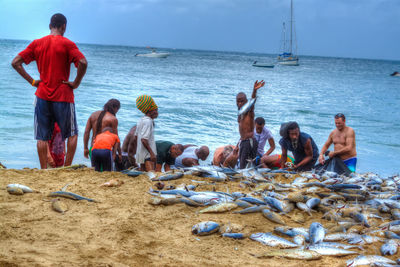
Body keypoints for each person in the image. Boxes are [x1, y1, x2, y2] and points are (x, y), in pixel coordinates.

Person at [11, 13, 87, 169]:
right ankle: (66, 167)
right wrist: (76, 83)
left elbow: (16, 62)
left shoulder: (37, 43)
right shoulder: (67, 44)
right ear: (64, 26)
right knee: (72, 133)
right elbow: (82, 62)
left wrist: (32, 81)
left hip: (42, 94)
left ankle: (43, 169)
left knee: (42, 137)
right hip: (63, 95)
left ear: (49, 26)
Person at [236, 80, 265, 169]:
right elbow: (242, 131)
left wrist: (254, 90)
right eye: (238, 101)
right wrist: (238, 143)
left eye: (242, 101)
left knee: (245, 167)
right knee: (244, 166)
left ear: (246, 102)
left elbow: (252, 102)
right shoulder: (240, 114)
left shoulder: (249, 113)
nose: (240, 103)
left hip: (250, 142)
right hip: (244, 142)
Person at [135, 95, 158, 171]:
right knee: (151, 175)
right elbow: (144, 140)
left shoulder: (141, 120)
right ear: (151, 111)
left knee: (143, 175)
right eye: (156, 110)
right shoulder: (148, 121)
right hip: (147, 155)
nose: (157, 112)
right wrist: (151, 153)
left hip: (141, 154)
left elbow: (136, 137)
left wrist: (138, 151)